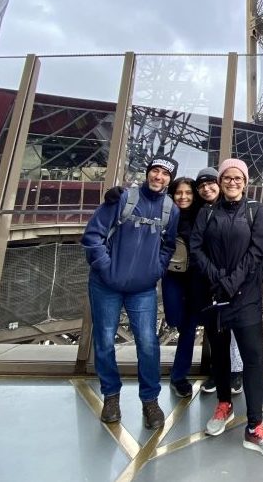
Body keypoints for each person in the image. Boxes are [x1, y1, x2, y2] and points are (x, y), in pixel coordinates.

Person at [189, 158, 263, 459]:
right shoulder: (206, 214)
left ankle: (255, 425)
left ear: (246, 182)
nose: (232, 182)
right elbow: (196, 248)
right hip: (216, 294)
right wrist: (218, 279)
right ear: (220, 181)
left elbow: (258, 251)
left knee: (253, 359)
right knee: (219, 356)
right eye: (227, 178)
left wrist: (231, 282)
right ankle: (224, 404)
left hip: (245, 297)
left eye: (237, 178)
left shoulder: (257, 213)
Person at [81, 155, 180, 429]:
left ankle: (150, 400)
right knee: (104, 341)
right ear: (148, 173)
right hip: (105, 285)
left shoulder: (171, 210)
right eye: (155, 171)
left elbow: (168, 246)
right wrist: (106, 268)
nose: (158, 177)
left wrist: (155, 270)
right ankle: (111, 397)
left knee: (148, 344)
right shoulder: (123, 199)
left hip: (142, 289)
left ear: (170, 180)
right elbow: (92, 236)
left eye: (165, 174)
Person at [194, 167, 244, 396]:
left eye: (211, 183)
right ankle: (220, 371)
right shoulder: (204, 211)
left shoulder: (244, 209)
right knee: (217, 329)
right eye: (201, 186)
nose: (207, 188)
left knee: (236, 329)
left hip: (238, 280)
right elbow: (196, 246)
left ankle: (235, 372)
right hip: (211, 280)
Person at [163, 177, 202, 398]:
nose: (183, 197)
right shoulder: (166, 215)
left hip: (196, 277)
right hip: (173, 276)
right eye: (179, 192)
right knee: (175, 318)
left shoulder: (202, 214)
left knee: (188, 326)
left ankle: (179, 376)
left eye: (188, 193)